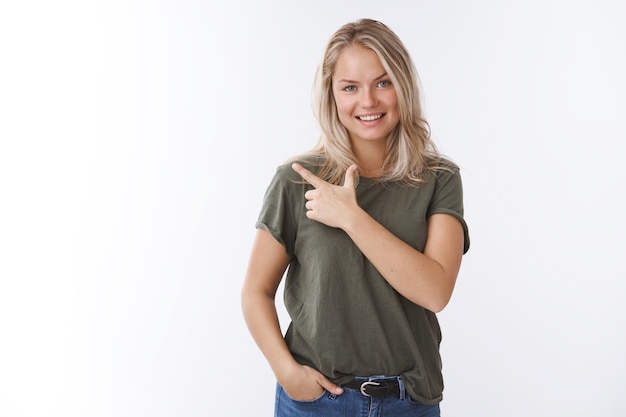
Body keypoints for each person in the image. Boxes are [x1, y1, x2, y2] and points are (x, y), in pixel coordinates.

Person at [241, 18, 470, 417]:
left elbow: (435, 291)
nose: (368, 102)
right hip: (315, 404)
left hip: (409, 402)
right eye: (350, 87)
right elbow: (255, 292)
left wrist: (351, 217)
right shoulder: (297, 181)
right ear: (331, 95)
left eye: (383, 82)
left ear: (404, 85)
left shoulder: (439, 178)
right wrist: (287, 372)